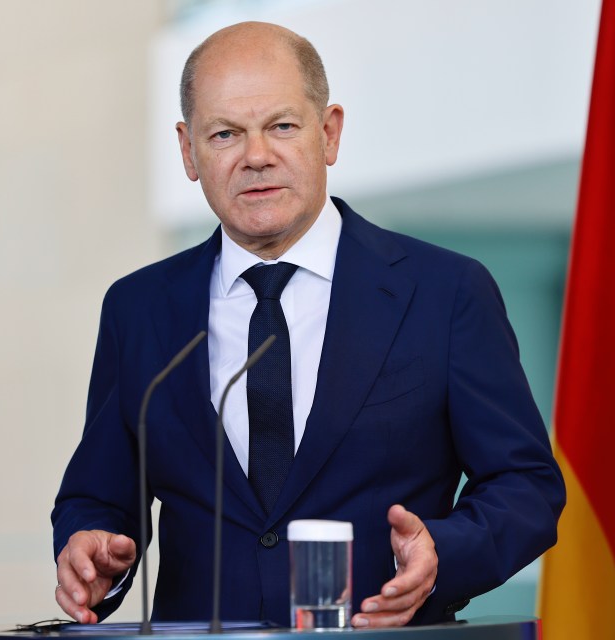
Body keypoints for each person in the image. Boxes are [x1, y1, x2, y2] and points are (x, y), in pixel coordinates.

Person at [52, 21, 565, 629]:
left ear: (329, 133)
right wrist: (93, 549)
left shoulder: (444, 292)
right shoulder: (138, 309)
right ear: (189, 152)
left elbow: (526, 486)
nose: (257, 156)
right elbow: (100, 493)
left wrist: (442, 553)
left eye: (282, 126)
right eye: (225, 134)